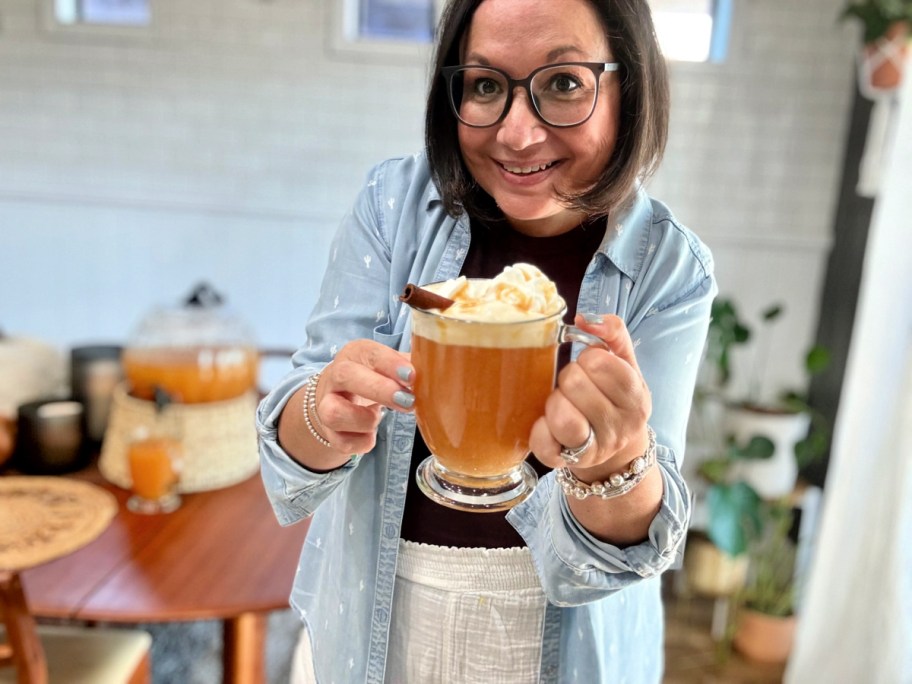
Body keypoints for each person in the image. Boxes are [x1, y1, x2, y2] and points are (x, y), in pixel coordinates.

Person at [256, 0, 717, 681]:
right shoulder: (393, 206)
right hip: (373, 626)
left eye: (563, 84)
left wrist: (615, 466)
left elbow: (631, 551)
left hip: (559, 647)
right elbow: (288, 469)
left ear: (631, 86)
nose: (518, 133)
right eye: (485, 85)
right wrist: (324, 408)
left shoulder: (668, 268)